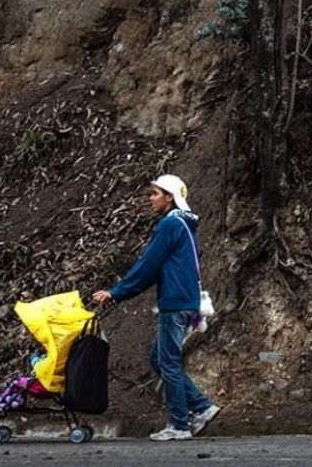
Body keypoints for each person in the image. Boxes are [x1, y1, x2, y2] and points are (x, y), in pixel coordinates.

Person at [93, 174, 220, 441]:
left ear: (170, 197)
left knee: (168, 362)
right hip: (187, 300)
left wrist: (116, 293)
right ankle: (202, 407)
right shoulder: (185, 226)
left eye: (155, 193)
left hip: (174, 303)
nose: (151, 198)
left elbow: (148, 265)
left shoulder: (170, 225)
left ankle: (179, 425)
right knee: (158, 357)